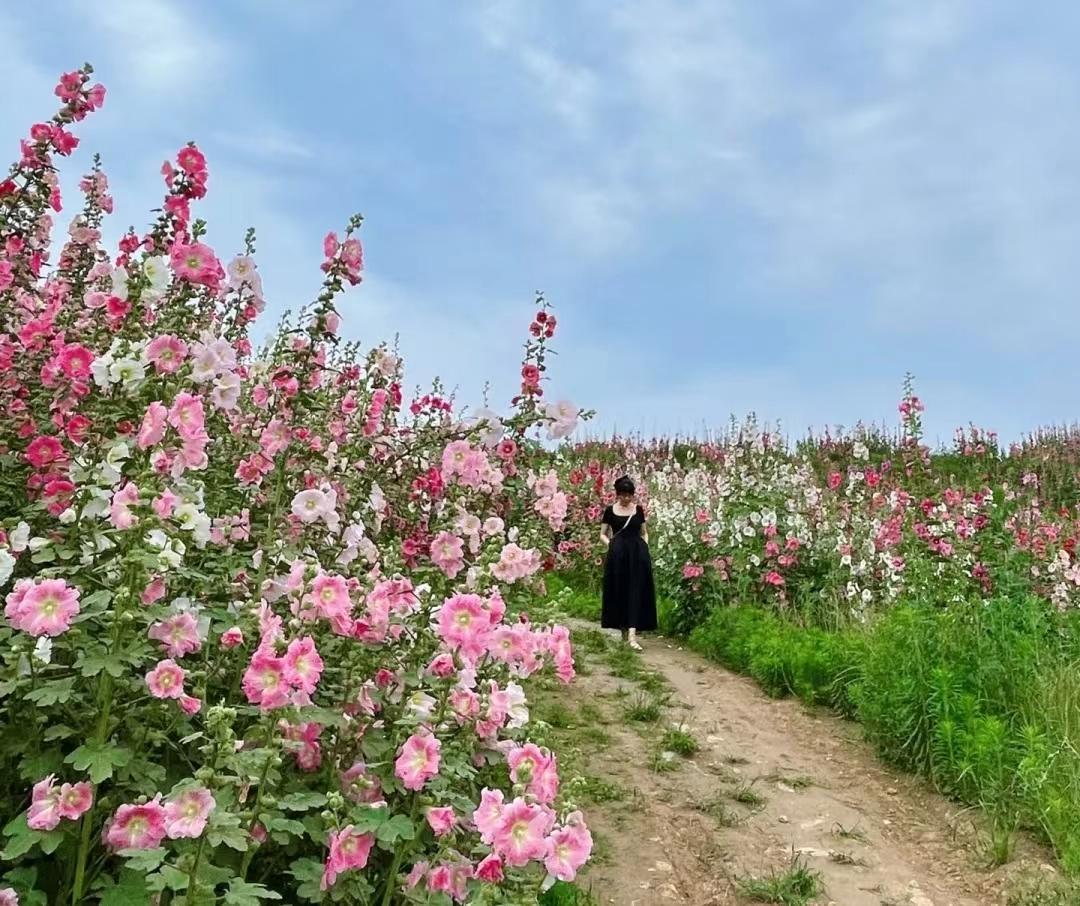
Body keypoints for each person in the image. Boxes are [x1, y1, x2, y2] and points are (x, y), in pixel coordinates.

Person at [599, 475, 657, 650]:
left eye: (629, 495)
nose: (626, 499)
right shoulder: (610, 511)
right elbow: (602, 533)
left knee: (635, 590)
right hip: (617, 556)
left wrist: (644, 546)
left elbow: (644, 532)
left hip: (637, 556)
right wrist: (612, 545)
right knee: (619, 591)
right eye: (623, 495)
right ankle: (624, 632)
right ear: (617, 494)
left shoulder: (638, 510)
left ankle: (632, 635)